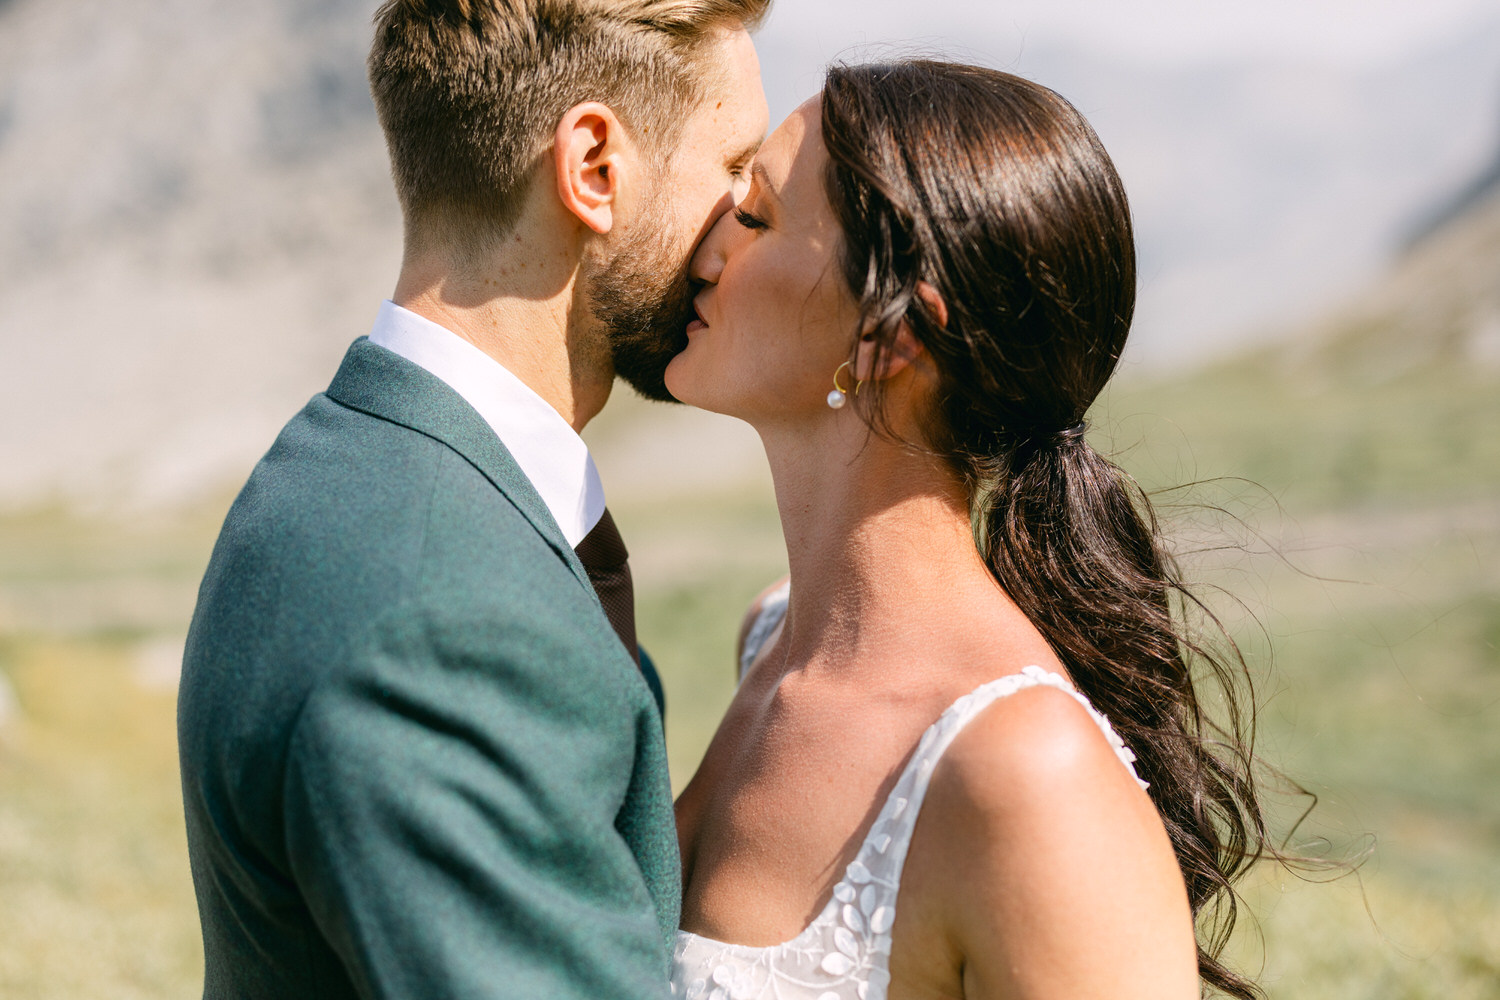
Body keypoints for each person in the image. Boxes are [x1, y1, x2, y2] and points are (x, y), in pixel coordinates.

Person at [176, 1, 770, 997]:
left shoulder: (350, 463)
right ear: (594, 168)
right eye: (733, 166)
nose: (748, 219)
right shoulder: (441, 626)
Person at [667, 61, 1267, 1000]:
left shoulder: (1028, 777)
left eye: (756, 218)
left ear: (891, 337)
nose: (704, 249)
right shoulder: (770, 641)